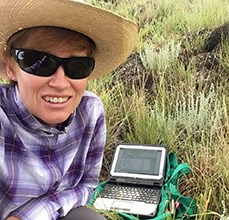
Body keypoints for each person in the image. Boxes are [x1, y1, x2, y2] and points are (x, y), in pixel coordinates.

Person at [0, 0, 138, 219]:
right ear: (10, 67)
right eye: (40, 62)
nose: (61, 83)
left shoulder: (90, 112)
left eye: (77, 66)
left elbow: (87, 185)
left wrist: (28, 215)